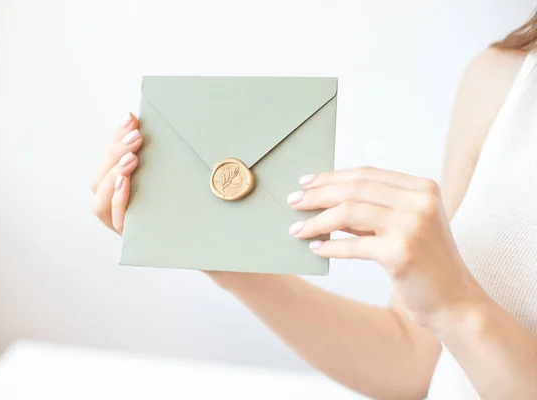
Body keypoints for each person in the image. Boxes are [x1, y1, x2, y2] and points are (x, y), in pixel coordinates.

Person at [90, 12, 537, 400]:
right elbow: (411, 358)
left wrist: (458, 305)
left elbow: (449, 315)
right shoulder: (499, 79)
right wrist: (221, 255)